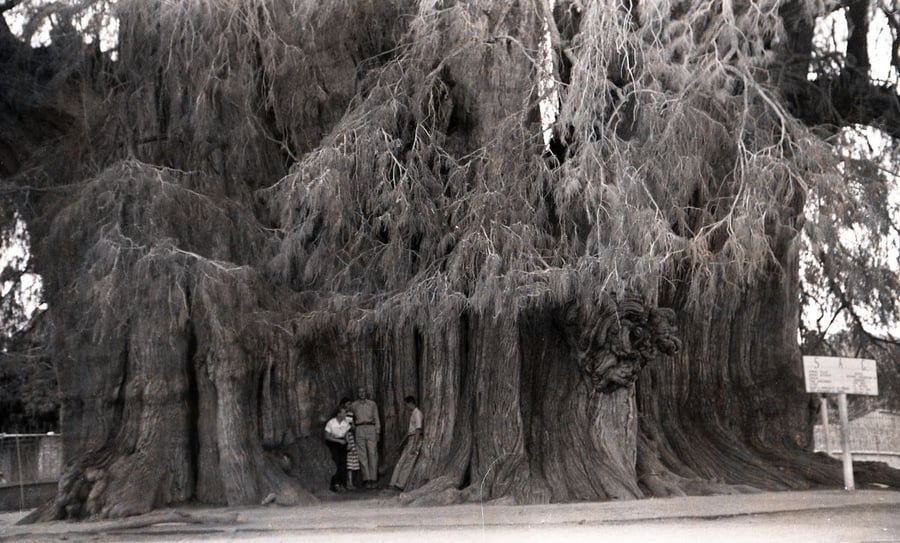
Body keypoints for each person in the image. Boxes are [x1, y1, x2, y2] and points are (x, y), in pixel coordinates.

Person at [390, 395, 424, 490]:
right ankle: (393, 483)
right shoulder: (412, 414)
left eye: (406, 405)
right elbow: (410, 431)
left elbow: (418, 429)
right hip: (410, 439)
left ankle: (400, 484)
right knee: (401, 462)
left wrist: (415, 445)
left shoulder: (417, 413)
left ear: (410, 403)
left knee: (408, 463)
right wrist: (402, 442)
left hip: (415, 439)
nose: (406, 407)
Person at [350, 387, 381, 489]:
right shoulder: (354, 405)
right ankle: (366, 479)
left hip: (371, 427)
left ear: (366, 393)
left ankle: (374, 478)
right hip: (359, 429)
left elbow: (376, 418)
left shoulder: (372, 404)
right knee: (362, 455)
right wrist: (353, 425)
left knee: (372, 453)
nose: (361, 393)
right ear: (357, 393)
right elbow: (350, 416)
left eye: (363, 392)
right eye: (359, 392)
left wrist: (377, 432)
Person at [324, 406, 351, 492]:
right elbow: (327, 437)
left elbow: (346, 434)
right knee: (336, 462)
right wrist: (337, 441)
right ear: (338, 414)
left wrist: (349, 443)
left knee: (343, 463)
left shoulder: (345, 423)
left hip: (342, 442)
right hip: (334, 443)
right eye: (343, 412)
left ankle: (343, 483)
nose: (345, 414)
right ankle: (335, 484)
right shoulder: (331, 423)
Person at [345, 413, 361, 490]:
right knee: (349, 464)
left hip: (351, 439)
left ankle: (351, 482)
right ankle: (349, 483)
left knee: (351, 463)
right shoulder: (347, 415)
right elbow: (348, 429)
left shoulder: (351, 415)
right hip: (348, 439)